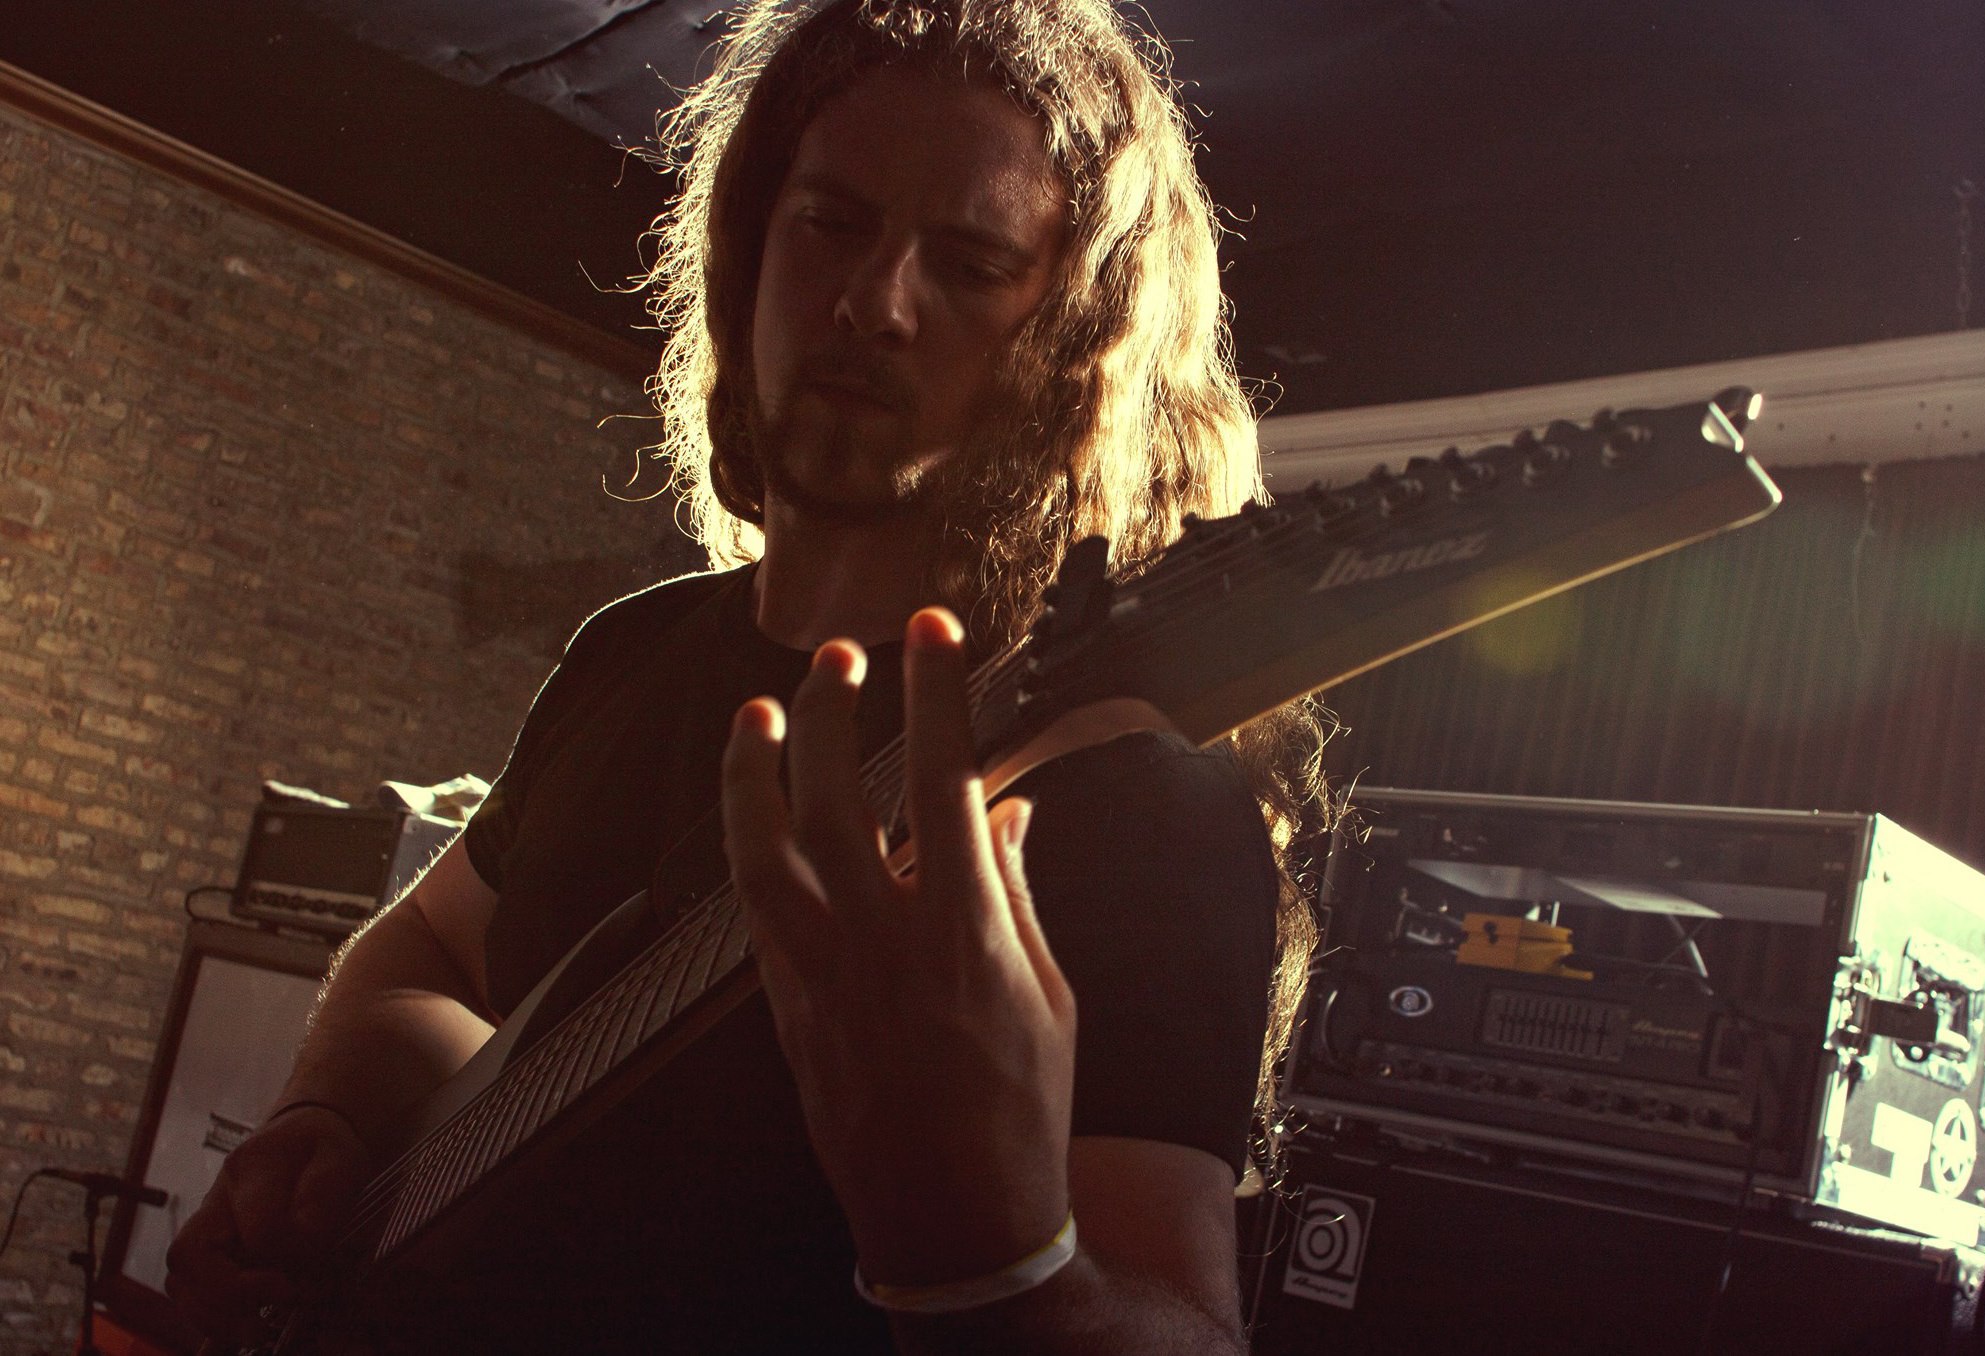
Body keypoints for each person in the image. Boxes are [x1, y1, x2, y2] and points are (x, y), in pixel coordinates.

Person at [166, 1, 1327, 1351]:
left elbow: (1187, 1323)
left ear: (1072, 345)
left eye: (968, 263)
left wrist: (1002, 1264)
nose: (873, 303)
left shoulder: (1129, 796)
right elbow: (430, 947)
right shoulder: (630, 654)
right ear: (749, 247)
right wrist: (325, 1116)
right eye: (832, 222)